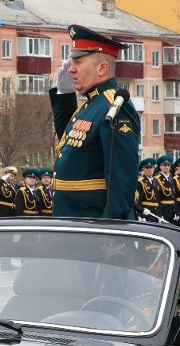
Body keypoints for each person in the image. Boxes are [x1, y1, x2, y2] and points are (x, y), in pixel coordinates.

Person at [49, 24, 140, 219]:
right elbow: (70, 143)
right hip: (73, 220)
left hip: (93, 225)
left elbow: (121, 179)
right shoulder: (91, 105)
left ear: (102, 68)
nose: (71, 69)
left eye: (78, 62)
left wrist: (110, 231)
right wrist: (64, 95)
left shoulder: (114, 106)